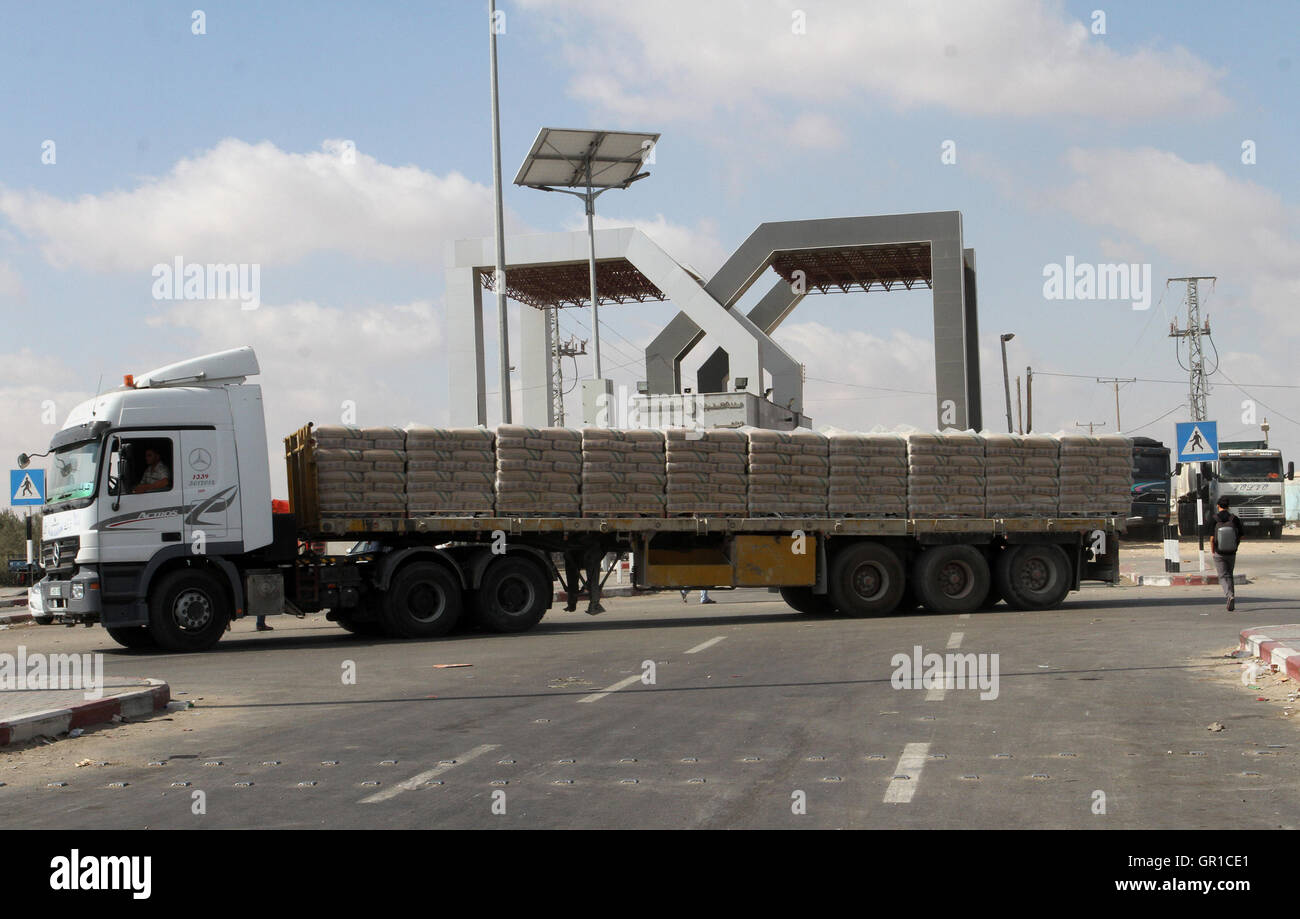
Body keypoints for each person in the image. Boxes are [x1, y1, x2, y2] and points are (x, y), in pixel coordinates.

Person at [1206, 497, 1245, 611]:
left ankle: (1229, 595)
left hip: (1219, 552)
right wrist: (1235, 545)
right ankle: (1232, 595)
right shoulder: (1234, 519)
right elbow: (1241, 535)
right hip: (1232, 552)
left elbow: (1212, 538)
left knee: (1223, 576)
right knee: (1229, 574)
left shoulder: (1214, 519)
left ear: (1218, 506)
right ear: (1228, 506)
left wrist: (1213, 551)